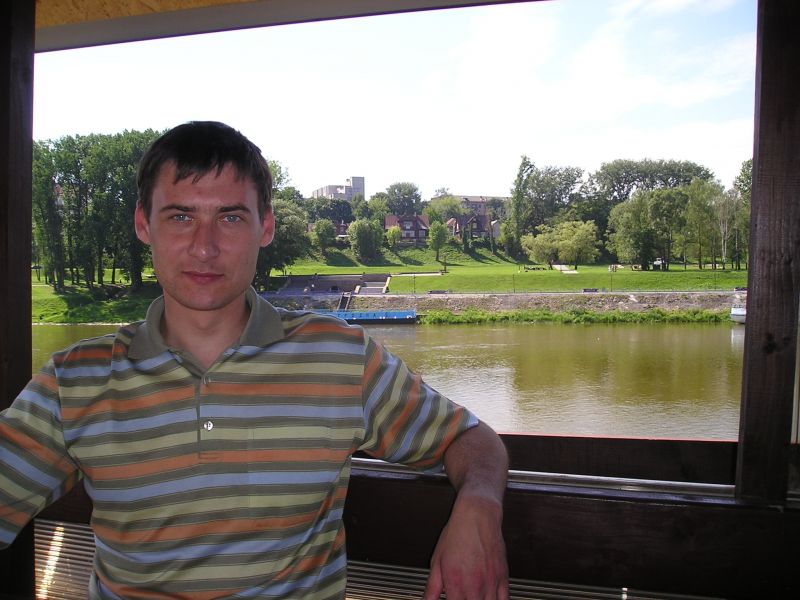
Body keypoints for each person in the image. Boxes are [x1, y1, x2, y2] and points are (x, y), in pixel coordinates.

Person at [0, 121, 508, 599]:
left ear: (265, 226)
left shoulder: (340, 358)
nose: (204, 247)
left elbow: (468, 438)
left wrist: (479, 507)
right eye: (180, 216)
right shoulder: (76, 380)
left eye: (230, 217)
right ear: (143, 224)